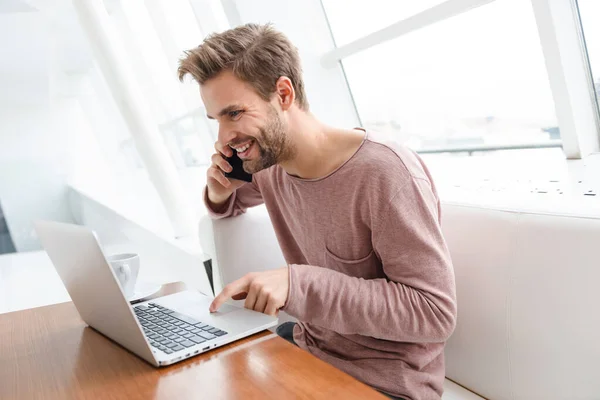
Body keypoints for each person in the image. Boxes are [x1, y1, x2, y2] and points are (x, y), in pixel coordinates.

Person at [178, 23, 456, 400]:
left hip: (382, 382)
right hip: (309, 351)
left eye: (235, 114)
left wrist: (298, 284)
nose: (224, 136)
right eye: (218, 120)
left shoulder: (385, 174)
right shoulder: (270, 164)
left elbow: (433, 313)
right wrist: (218, 190)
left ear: (283, 93)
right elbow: (230, 203)